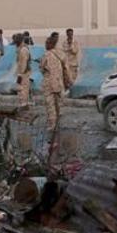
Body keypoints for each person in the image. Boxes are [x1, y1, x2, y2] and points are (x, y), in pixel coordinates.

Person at [40, 33, 71, 172]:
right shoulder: (61, 55)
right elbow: (66, 69)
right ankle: (58, 127)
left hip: (48, 85)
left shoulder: (46, 55)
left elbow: (41, 69)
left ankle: (52, 132)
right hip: (59, 85)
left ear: (48, 45)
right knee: (59, 108)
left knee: (50, 108)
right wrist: (67, 81)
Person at [14, 33, 32, 102]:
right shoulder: (20, 48)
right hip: (22, 72)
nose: (15, 41)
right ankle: (23, 104)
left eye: (16, 39)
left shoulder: (23, 50)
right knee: (22, 90)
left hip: (23, 73)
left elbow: (24, 64)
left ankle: (24, 105)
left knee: (23, 90)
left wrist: (20, 75)